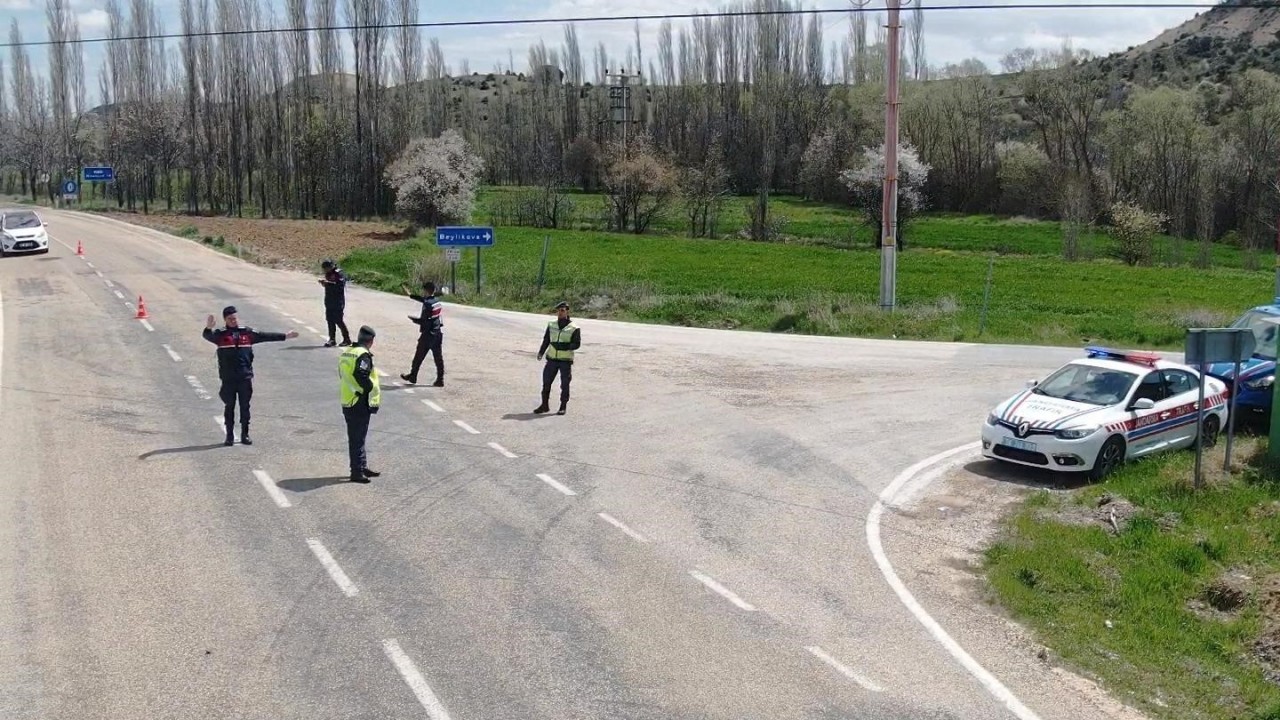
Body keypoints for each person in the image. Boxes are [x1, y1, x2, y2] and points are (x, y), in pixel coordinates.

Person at [203, 306, 299, 445]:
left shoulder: (247, 333)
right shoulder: (220, 335)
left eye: (235, 318)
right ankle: (229, 436)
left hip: (244, 377)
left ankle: (245, 434)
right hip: (228, 378)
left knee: (245, 406)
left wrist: (285, 336)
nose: (233, 321)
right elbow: (207, 336)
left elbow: (265, 336)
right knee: (229, 406)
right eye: (230, 319)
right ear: (225, 320)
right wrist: (208, 327)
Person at [339, 325, 382, 483]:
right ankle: (356, 472)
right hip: (358, 400)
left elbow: (342, 374)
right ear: (371, 341)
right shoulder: (363, 355)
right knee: (357, 437)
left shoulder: (348, 352)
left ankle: (362, 466)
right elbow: (361, 375)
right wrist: (369, 388)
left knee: (359, 436)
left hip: (348, 398)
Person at [535, 301, 580, 416]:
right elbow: (546, 340)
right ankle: (544, 405)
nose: (560, 313)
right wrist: (541, 352)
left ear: (567, 312)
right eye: (558, 311)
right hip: (552, 359)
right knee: (546, 383)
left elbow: (577, 344)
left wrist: (566, 346)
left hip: (565, 361)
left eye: (562, 310)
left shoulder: (574, 328)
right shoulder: (551, 325)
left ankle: (563, 406)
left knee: (564, 384)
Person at [399, 280, 444, 387]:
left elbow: (425, 321)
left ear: (426, 290)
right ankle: (440, 379)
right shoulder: (436, 301)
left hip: (428, 335)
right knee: (438, 358)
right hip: (437, 333)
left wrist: (414, 320)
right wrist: (410, 295)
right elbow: (423, 299)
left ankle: (413, 376)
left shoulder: (427, 304)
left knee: (418, 356)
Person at [318, 259, 352, 348]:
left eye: (326, 268)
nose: (325, 270)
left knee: (338, 320)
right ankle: (332, 339)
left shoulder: (339, 273)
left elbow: (339, 286)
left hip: (338, 300)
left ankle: (347, 339)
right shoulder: (328, 274)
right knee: (329, 319)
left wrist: (327, 284)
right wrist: (325, 284)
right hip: (329, 299)